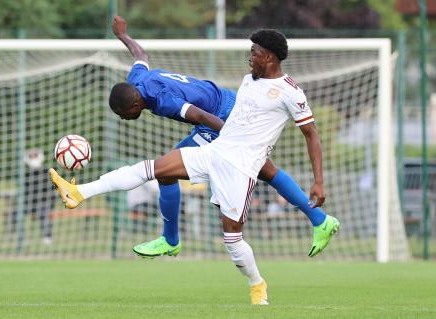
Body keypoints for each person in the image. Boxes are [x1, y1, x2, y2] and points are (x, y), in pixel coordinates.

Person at [50, 28, 340, 305]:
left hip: (237, 164)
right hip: (216, 150)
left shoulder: (290, 92)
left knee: (232, 238)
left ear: (269, 57)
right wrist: (123, 35)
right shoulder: (249, 79)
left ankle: (257, 283)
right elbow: (140, 54)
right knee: (153, 169)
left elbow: (311, 134)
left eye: (254, 52)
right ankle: (79, 193)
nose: (249, 57)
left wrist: (319, 181)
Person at [106, 16, 337, 259]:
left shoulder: (163, 100)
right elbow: (140, 54)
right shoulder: (137, 79)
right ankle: (320, 220)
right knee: (265, 171)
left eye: (122, 114)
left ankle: (170, 239)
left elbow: (202, 116)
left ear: (133, 105)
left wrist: (233, 137)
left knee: (165, 170)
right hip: (223, 102)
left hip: (217, 116)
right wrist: (123, 36)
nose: (123, 119)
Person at [9, 149, 54, 245]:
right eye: (31, 156)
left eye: (35, 156)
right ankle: (15, 236)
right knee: (14, 212)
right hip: (29, 204)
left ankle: (47, 237)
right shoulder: (25, 174)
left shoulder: (47, 172)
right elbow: (23, 192)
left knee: (44, 214)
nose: (33, 158)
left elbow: (51, 191)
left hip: (43, 204)